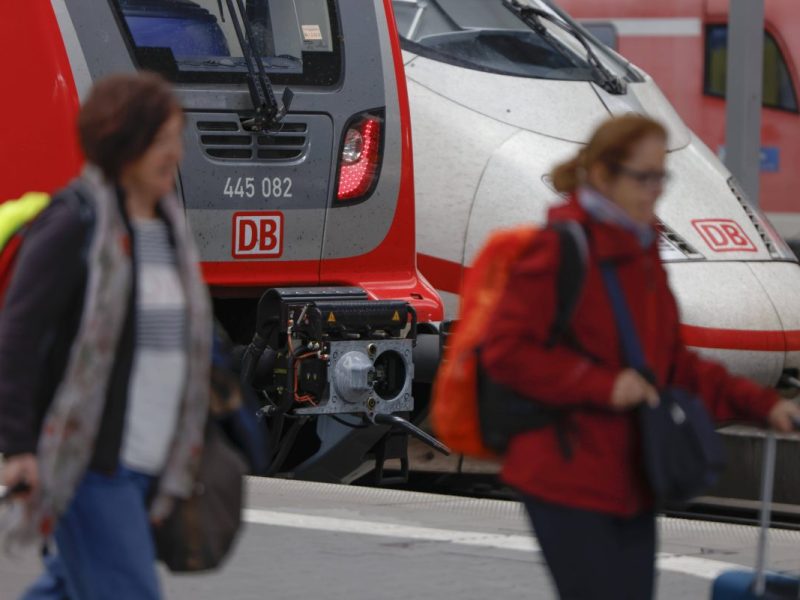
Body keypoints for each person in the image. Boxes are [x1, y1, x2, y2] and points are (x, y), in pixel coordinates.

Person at [480, 114, 800, 600]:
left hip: (632, 475)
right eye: (643, 176)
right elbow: (506, 354)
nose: (656, 190)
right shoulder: (559, 249)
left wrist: (761, 405)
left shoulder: (641, 252)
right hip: (565, 476)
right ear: (604, 175)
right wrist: (603, 385)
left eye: (661, 176)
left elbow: (675, 365)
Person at [0, 72, 212, 599]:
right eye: (163, 142)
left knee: (71, 589)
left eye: (176, 140)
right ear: (126, 146)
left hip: (153, 459)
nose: (176, 155)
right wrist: (17, 445)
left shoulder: (167, 228)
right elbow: (18, 338)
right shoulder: (74, 224)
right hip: (91, 460)